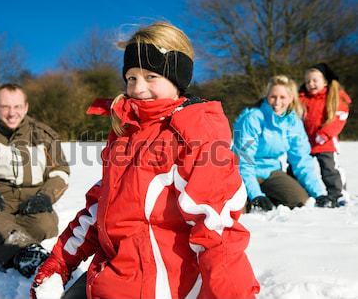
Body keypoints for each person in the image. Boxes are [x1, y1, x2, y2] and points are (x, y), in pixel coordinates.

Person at [30, 21, 260, 299]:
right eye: (131, 78)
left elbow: (218, 232)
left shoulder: (195, 135)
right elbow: (98, 213)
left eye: (151, 76)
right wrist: (58, 264)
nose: (138, 89)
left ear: (177, 79)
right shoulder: (127, 132)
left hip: (162, 287)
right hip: (113, 277)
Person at [0, 83, 70, 277]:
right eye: (5, 107)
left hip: (33, 199)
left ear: (26, 107)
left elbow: (60, 172)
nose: (11, 113)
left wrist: (46, 197)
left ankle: (2, 236)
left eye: (17, 107)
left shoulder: (44, 135)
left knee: (46, 225)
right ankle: (27, 254)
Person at [233, 75, 329, 212]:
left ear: (291, 99)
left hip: (271, 171)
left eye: (283, 97)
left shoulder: (293, 123)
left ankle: (270, 196)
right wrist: (256, 195)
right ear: (267, 97)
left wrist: (319, 193)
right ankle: (253, 196)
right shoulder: (253, 118)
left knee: (300, 200)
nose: (277, 102)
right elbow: (243, 159)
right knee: (238, 209)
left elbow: (301, 160)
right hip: (243, 172)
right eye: (273, 97)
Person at [299, 63, 352, 207]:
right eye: (308, 81)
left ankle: (337, 194)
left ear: (325, 82)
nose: (311, 84)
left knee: (329, 169)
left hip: (325, 143)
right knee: (300, 167)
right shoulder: (302, 98)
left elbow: (340, 117)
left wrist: (325, 134)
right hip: (306, 143)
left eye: (315, 80)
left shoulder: (333, 97)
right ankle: (300, 193)